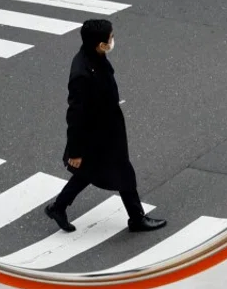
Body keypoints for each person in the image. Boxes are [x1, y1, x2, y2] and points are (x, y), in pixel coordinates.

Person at [45, 19, 167, 234]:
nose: (113, 40)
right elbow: (75, 115)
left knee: (91, 172)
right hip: (98, 135)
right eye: (110, 38)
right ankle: (136, 219)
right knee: (118, 172)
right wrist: (75, 151)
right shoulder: (82, 72)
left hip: (107, 129)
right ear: (100, 44)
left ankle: (59, 207)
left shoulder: (96, 57)